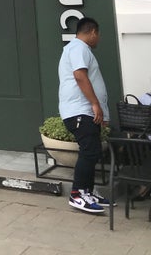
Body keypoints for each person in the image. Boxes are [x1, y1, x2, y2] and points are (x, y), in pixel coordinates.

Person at [58, 17, 111, 213]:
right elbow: (80, 76)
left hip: (85, 111)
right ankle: (78, 194)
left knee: (92, 151)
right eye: (98, 35)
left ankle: (87, 191)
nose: (99, 39)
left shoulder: (79, 49)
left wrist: (101, 111)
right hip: (80, 110)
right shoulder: (78, 47)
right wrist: (95, 104)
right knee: (89, 151)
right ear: (93, 32)